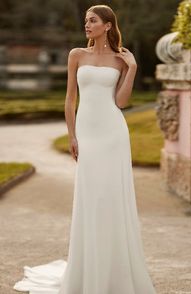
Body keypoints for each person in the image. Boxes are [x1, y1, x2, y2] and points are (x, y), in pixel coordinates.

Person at [13, 4, 156, 294]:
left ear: (107, 25)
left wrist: (133, 68)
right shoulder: (76, 55)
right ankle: (88, 268)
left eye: (92, 21)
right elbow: (69, 100)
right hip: (87, 134)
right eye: (86, 21)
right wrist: (72, 136)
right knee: (91, 196)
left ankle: (114, 271)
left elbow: (122, 103)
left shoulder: (120, 59)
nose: (87, 25)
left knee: (112, 197)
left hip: (113, 134)